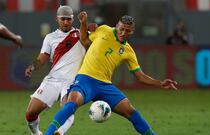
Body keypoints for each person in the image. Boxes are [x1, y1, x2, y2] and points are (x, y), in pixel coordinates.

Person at [45, 14, 178, 135]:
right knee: (72, 104)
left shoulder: (128, 51)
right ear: (117, 26)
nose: (123, 33)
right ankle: (48, 133)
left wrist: (160, 83)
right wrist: (84, 23)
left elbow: (140, 77)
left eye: (127, 31)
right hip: (86, 79)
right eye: (121, 29)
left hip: (105, 86)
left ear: (132, 32)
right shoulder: (104, 30)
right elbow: (84, 40)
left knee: (132, 113)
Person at [25, 6, 90, 135]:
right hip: (53, 79)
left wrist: (85, 23)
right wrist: (33, 66)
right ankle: (36, 133)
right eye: (63, 19)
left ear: (72, 19)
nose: (66, 22)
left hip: (73, 81)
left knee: (68, 108)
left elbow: (87, 42)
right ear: (57, 19)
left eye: (69, 19)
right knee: (30, 113)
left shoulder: (80, 33)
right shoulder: (50, 37)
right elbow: (43, 57)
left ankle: (59, 132)